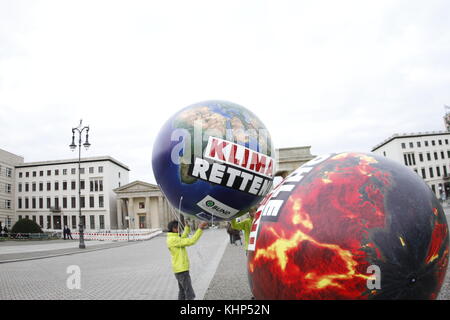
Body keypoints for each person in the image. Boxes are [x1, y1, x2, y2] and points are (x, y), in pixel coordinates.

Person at [166, 219, 208, 300]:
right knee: (189, 292)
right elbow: (191, 241)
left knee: (182, 291)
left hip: (178, 269)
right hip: (181, 270)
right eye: (178, 228)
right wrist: (200, 228)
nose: (179, 230)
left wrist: (187, 227)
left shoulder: (173, 237)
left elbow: (183, 237)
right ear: (174, 229)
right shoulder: (173, 239)